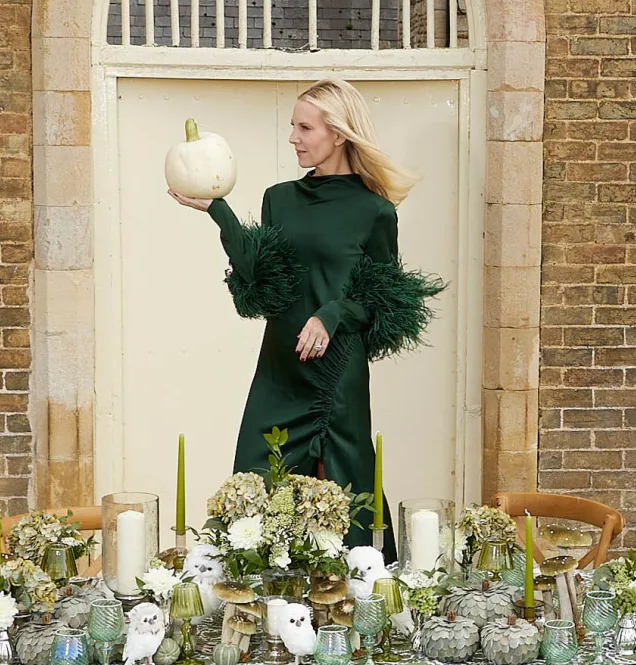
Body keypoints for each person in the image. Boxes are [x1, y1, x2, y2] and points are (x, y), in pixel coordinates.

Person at [169, 78, 442, 546]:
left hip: (336, 371)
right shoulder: (280, 198)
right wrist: (219, 210)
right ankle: (253, 594)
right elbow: (260, 279)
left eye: (304, 127)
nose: (293, 137)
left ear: (338, 133)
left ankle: (361, 594)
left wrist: (332, 313)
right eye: (292, 127)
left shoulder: (375, 212)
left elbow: (382, 296)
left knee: (344, 487)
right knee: (255, 484)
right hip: (280, 367)